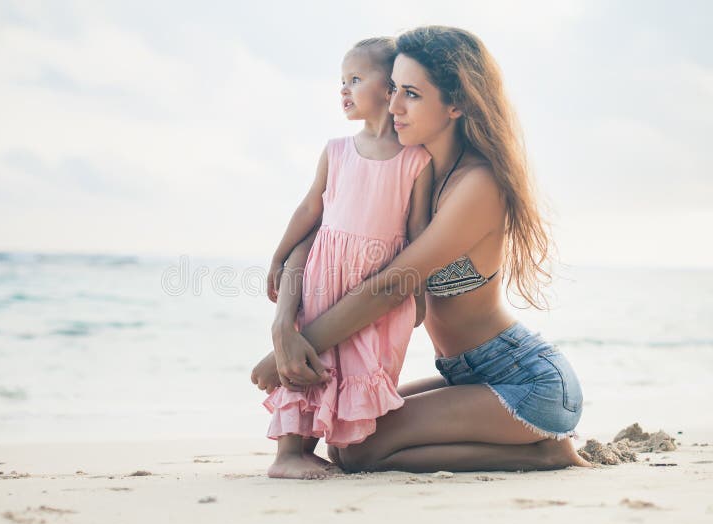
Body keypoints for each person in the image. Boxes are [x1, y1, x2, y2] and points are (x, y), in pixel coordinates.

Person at [252, 26, 593, 473]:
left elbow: (393, 285)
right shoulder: (411, 177)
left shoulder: (478, 185)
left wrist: (292, 353)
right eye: (393, 88)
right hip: (465, 373)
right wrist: (283, 325)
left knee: (359, 450)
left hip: (525, 382)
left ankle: (544, 452)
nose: (393, 106)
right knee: (346, 437)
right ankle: (533, 448)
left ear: (456, 104)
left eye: (411, 93)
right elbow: (317, 235)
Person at [261, 37, 434, 479]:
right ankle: (288, 454)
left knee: (355, 365)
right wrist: (280, 256)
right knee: (310, 364)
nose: (343, 90)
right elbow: (309, 209)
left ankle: (321, 447)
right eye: (342, 80)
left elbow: (417, 234)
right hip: (326, 274)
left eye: (355, 79)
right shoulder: (336, 150)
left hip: (375, 283)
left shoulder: (416, 160)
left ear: (390, 89)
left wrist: (420, 293)